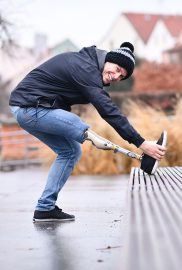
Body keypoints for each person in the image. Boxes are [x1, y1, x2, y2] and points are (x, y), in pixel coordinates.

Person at [9, 42, 166, 222]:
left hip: (31, 108)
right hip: (29, 107)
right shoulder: (85, 67)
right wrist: (141, 142)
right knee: (77, 124)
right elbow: (108, 109)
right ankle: (92, 137)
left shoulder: (90, 68)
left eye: (121, 76)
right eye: (116, 69)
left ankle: (45, 208)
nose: (115, 76)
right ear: (108, 60)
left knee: (71, 152)